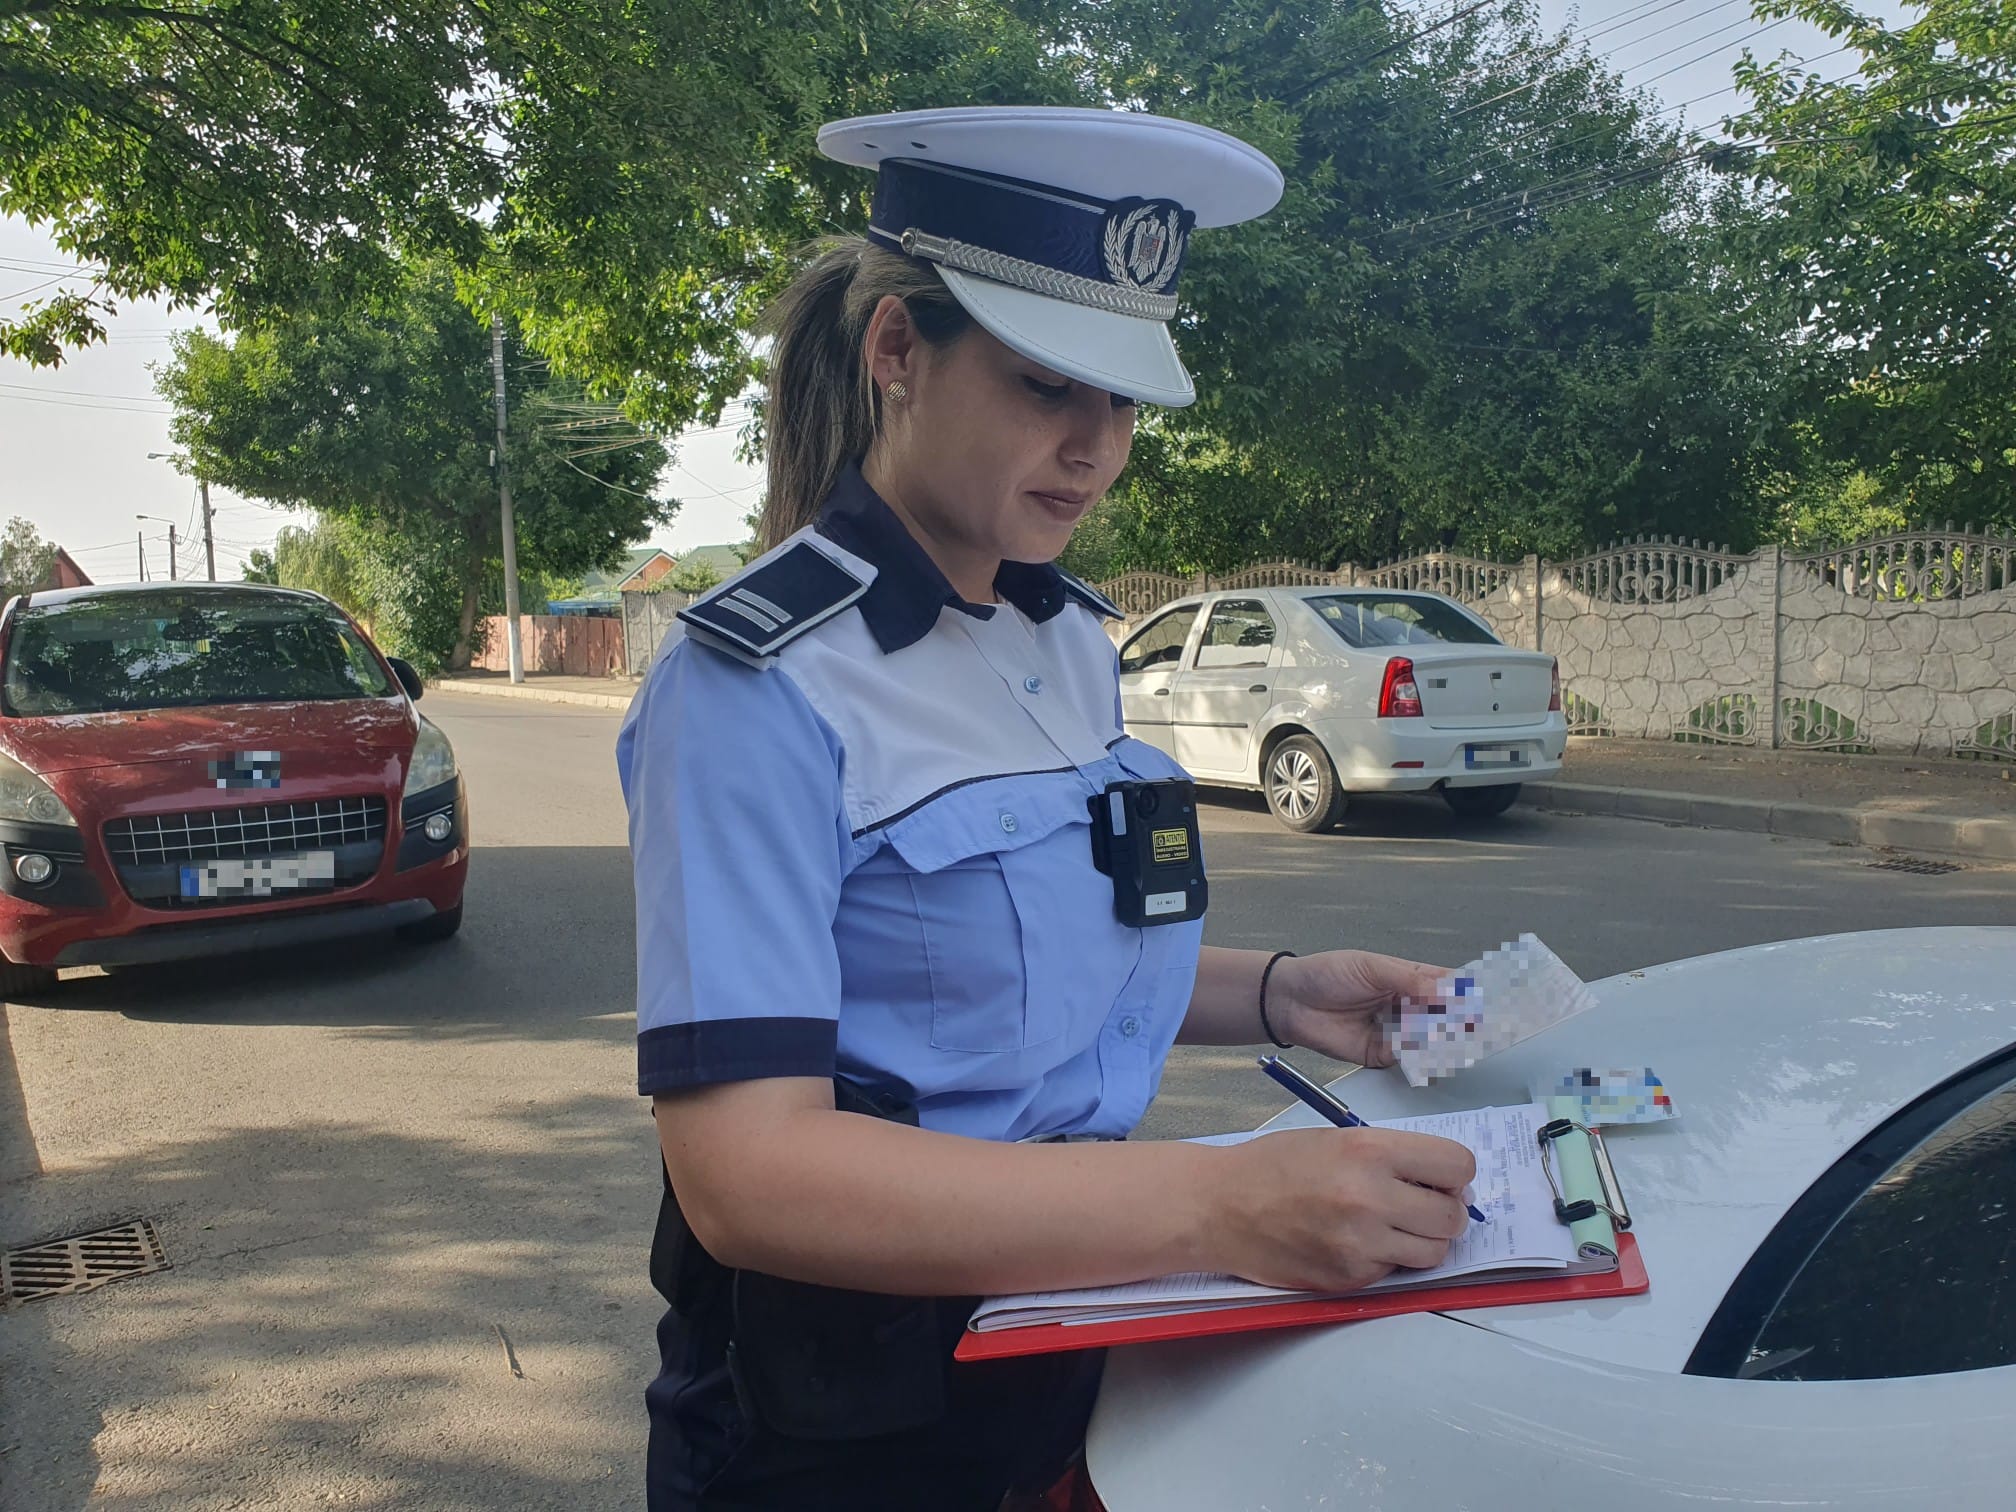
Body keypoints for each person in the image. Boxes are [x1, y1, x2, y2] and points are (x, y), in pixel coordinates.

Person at [616, 105, 1477, 1512]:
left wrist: (1283, 994)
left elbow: (1018, 967)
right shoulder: (754, 687)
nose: (1095, 448)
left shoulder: (1068, 639)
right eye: (1045, 387)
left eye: (1124, 403)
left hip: (1068, 1330)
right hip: (839, 1418)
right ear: (898, 351)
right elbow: (746, 1175)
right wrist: (1219, 1205)